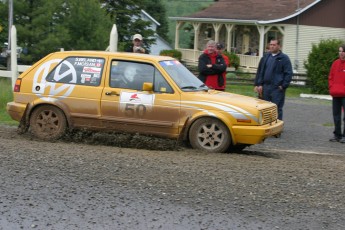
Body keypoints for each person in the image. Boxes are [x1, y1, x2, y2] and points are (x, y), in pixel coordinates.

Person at [254, 39, 293, 120]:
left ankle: (277, 127)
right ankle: (266, 126)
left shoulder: (284, 58)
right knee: (264, 108)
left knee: (276, 108)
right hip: (265, 87)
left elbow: (288, 73)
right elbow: (260, 71)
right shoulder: (265, 57)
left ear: (279, 46)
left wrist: (283, 86)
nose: (271, 46)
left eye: (274, 45)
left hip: (277, 88)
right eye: (271, 44)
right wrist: (258, 84)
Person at [328, 44, 345, 143]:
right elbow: (330, 76)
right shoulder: (335, 63)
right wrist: (331, 87)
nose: (341, 53)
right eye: (339, 51)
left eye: (342, 51)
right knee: (336, 116)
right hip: (336, 94)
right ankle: (337, 135)